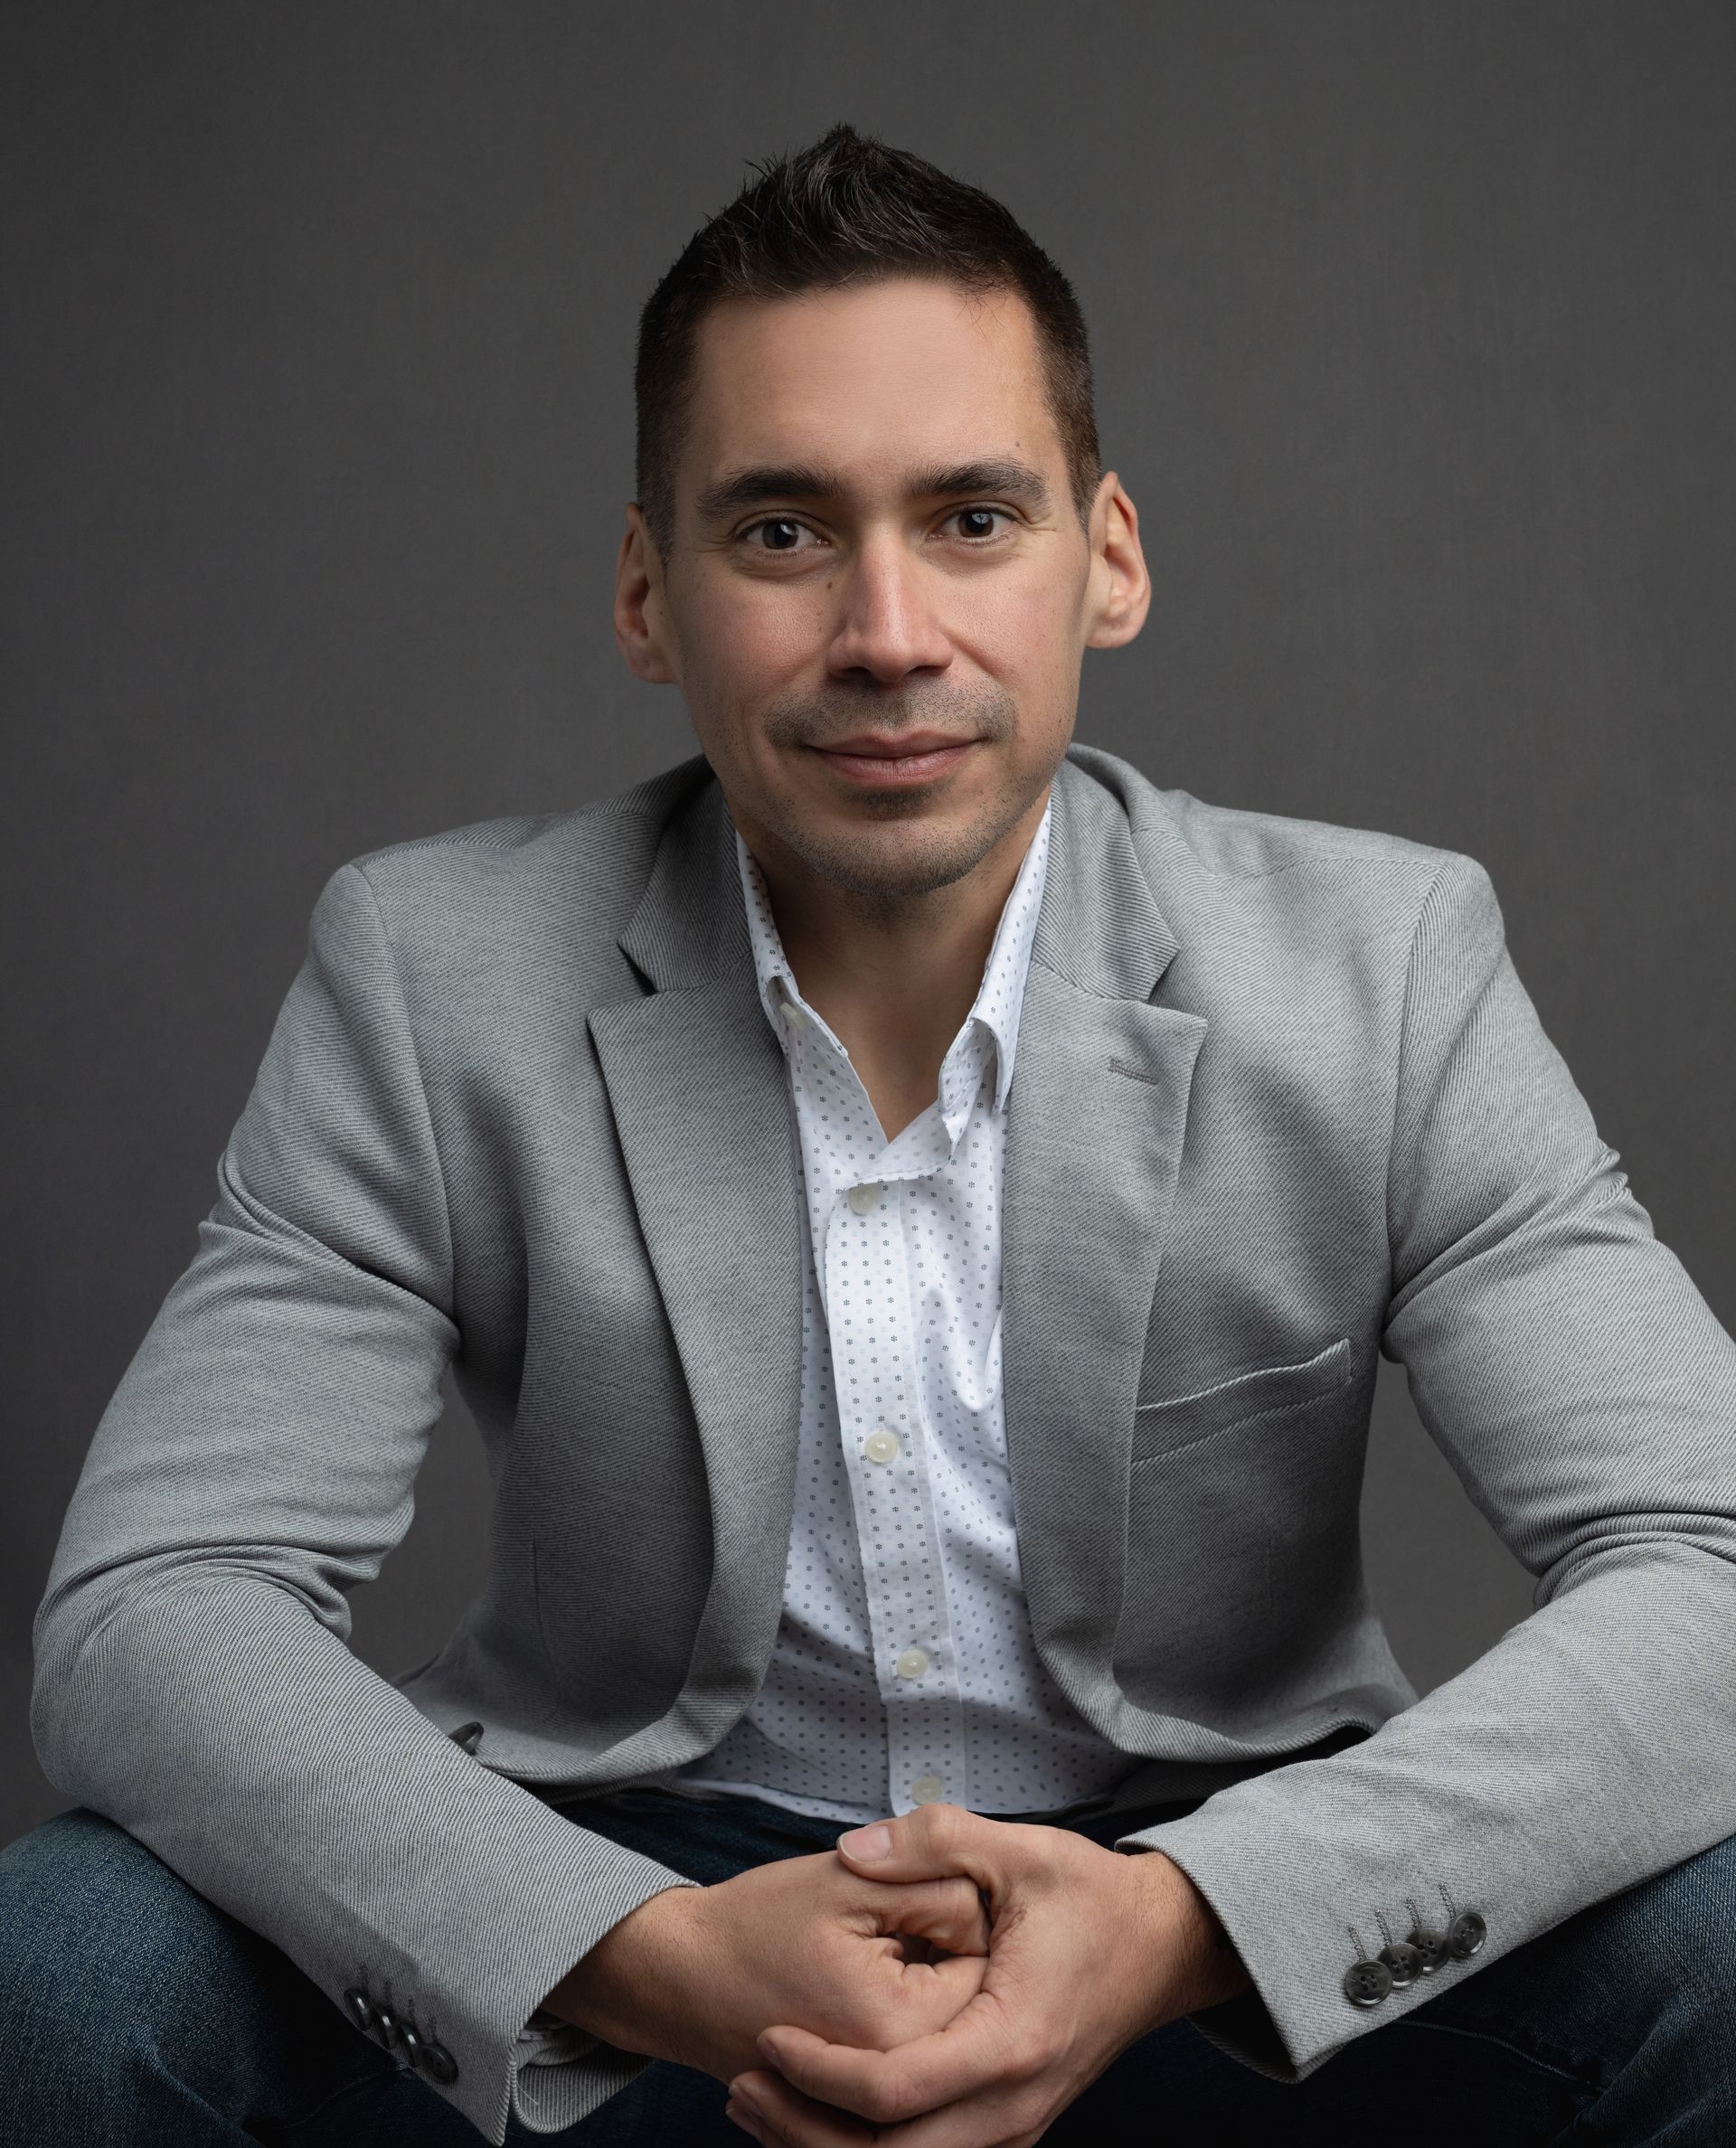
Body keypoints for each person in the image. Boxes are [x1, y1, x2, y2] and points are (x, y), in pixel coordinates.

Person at [5, 121, 1733, 2148]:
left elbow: (1710, 1558)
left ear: (1111, 556)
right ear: (652, 594)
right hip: (636, 1949)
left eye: (975, 518)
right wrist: (638, 1962)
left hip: (1218, 1948)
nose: (889, 631)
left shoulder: (1384, 962)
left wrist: (1193, 1920)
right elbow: (152, 1609)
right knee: (66, 1968)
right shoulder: (431, 971)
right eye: (783, 533)